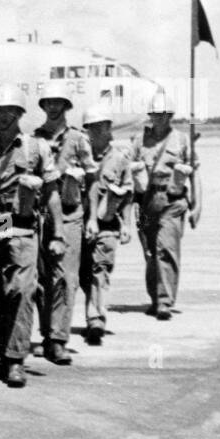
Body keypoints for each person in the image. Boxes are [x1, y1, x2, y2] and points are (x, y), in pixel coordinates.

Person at [0, 85, 63, 388]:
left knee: (22, 291)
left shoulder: (35, 147)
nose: (1, 116)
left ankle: (16, 359)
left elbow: (52, 193)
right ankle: (2, 355)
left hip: (22, 223)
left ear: (19, 114)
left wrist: (58, 234)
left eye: (8, 112)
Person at [33, 89, 96, 365]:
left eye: (58, 102)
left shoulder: (79, 139)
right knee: (40, 279)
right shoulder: (33, 139)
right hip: (39, 216)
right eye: (49, 102)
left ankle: (59, 339)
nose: (53, 107)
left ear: (66, 106)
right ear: (43, 106)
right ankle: (47, 333)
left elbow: (93, 179)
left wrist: (92, 217)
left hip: (70, 215)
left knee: (66, 278)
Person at [133, 88, 201, 320]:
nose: (159, 118)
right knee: (151, 253)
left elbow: (195, 174)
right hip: (145, 203)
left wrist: (198, 205)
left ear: (170, 115)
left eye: (164, 114)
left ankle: (165, 301)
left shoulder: (181, 140)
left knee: (166, 250)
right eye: (155, 114)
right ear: (150, 115)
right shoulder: (138, 140)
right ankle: (155, 297)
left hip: (173, 202)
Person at [79, 107, 143, 344]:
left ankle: (96, 319)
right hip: (79, 225)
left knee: (100, 269)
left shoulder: (119, 160)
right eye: (91, 128)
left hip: (107, 226)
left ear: (109, 130)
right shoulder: (80, 157)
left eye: (101, 127)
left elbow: (127, 194)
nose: (96, 132)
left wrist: (126, 224)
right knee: (82, 274)